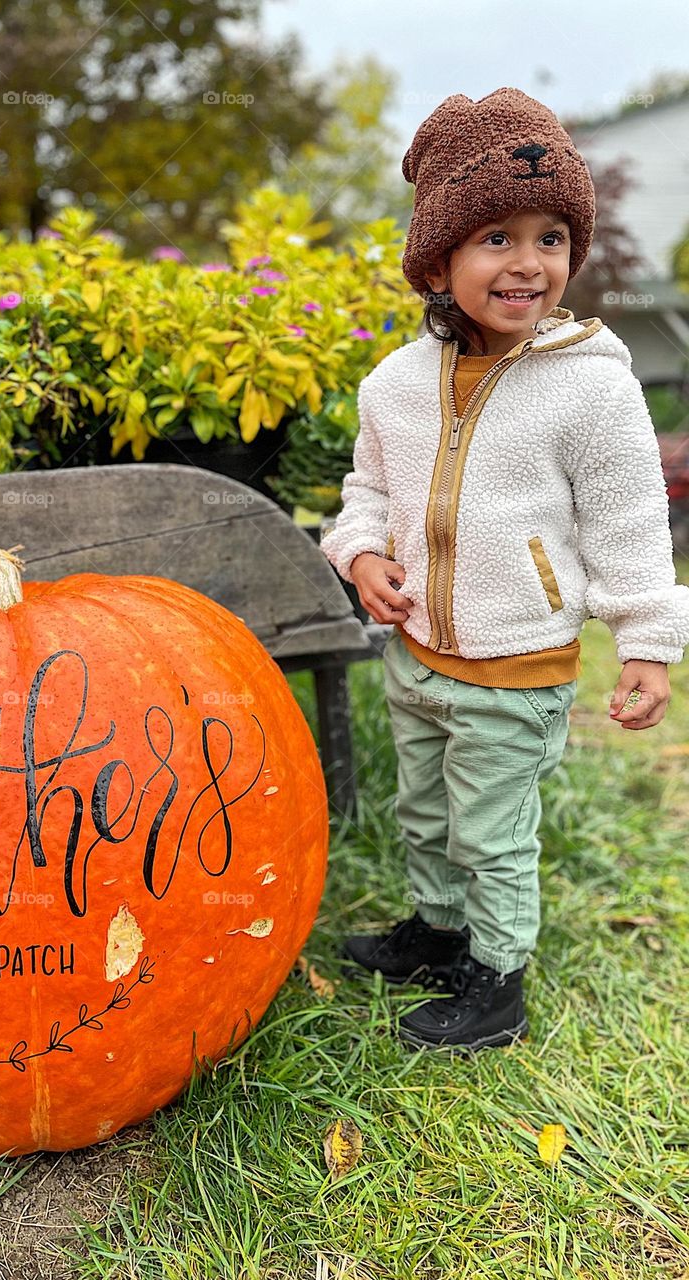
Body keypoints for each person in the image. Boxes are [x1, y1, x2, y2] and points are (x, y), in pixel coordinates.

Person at [319, 87, 689, 1054]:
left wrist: (647, 642)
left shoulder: (594, 388)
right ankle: (439, 933)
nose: (530, 263)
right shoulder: (395, 384)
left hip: (518, 666)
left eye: (552, 237)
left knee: (492, 832)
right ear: (438, 260)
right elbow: (366, 492)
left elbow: (630, 521)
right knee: (427, 812)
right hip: (419, 652)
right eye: (497, 238)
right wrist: (359, 553)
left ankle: (498, 979)